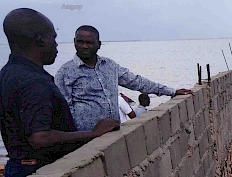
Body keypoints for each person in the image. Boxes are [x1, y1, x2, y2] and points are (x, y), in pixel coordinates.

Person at [0, 9, 119, 177]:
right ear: (40, 40)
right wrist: (93, 134)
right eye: (53, 38)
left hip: (18, 166)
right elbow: (40, 138)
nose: (56, 46)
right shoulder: (34, 82)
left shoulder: (8, 74)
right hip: (35, 173)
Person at [55, 25, 191, 132]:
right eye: (80, 42)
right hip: (85, 139)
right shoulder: (65, 72)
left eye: (89, 42)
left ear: (99, 44)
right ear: (74, 42)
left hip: (113, 133)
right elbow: (63, 110)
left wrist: (172, 91)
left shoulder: (110, 66)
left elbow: (137, 82)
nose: (84, 46)